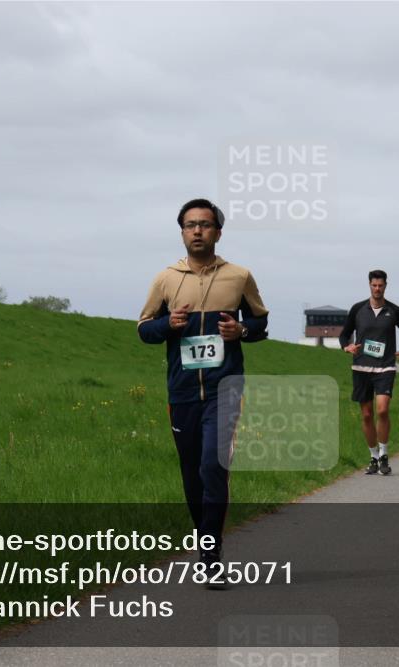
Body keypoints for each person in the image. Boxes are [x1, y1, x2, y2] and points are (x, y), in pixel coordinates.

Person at [137, 198, 268, 583]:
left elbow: (260, 323)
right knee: (192, 475)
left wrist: (240, 331)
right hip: (181, 391)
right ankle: (205, 537)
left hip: (224, 388)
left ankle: (210, 556)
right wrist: (168, 326)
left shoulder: (239, 276)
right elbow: (144, 328)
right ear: (182, 232)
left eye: (205, 224)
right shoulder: (165, 279)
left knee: (213, 466)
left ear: (218, 232)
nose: (197, 230)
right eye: (190, 225)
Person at [339, 270, 399, 476]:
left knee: (382, 410)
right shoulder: (357, 309)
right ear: (369, 285)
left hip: (385, 367)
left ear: (385, 286)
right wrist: (347, 346)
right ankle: (373, 457)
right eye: (374, 285)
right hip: (361, 367)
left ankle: (384, 454)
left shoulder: (394, 310)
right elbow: (344, 334)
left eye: (381, 285)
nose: (377, 288)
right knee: (366, 414)